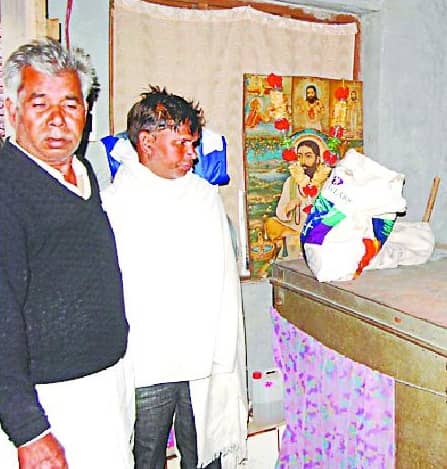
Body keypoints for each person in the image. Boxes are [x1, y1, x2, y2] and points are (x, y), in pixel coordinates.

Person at [0, 38, 134, 468]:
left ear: (86, 112)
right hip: (50, 401)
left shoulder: (82, 172)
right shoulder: (7, 190)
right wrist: (28, 430)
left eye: (70, 105)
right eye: (40, 104)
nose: (57, 120)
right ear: (11, 111)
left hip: (105, 384)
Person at [102, 86, 247, 469]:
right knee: (146, 456)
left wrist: (222, 348)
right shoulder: (116, 204)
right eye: (182, 143)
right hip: (147, 361)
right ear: (147, 142)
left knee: (206, 455)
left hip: (204, 355)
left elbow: (222, 281)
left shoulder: (204, 197)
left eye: (193, 144)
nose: (192, 154)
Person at [264, 139, 331, 256]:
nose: (303, 161)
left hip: (318, 229)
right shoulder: (291, 182)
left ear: (318, 159)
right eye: (299, 156)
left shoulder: (327, 182)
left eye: (308, 156)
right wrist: (288, 208)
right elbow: (280, 212)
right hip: (294, 228)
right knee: (271, 223)